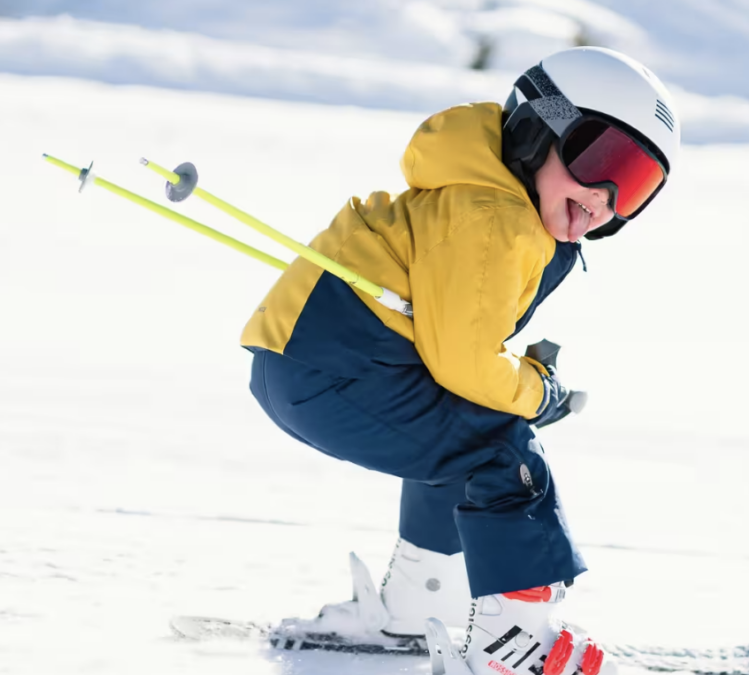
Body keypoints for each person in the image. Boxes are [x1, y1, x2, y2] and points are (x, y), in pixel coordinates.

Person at [240, 46, 678, 675]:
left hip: (314, 366)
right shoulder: (493, 215)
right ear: (538, 128)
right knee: (503, 452)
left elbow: (457, 362)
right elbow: (468, 366)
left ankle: (418, 608)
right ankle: (514, 644)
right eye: (601, 159)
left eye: (635, 186)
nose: (606, 196)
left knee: (464, 432)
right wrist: (538, 392)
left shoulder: (486, 197)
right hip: (337, 369)